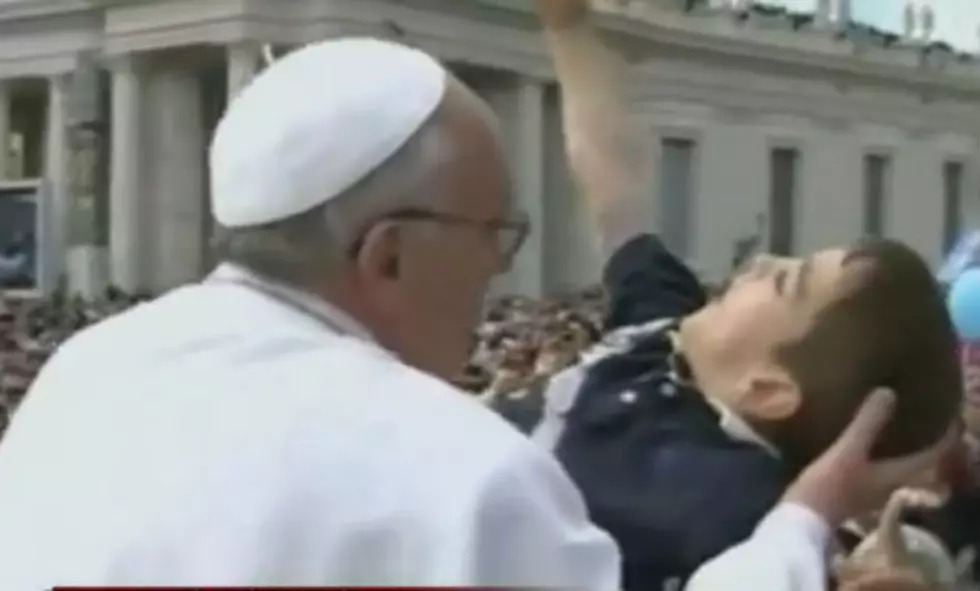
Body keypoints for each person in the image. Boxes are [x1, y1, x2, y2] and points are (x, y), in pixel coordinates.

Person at [0, 37, 619, 588]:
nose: (499, 267)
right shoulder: (476, 483)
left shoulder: (80, 380)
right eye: (494, 233)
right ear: (389, 256)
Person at [514, 0, 964, 589]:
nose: (759, 261)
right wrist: (569, 29)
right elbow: (615, 190)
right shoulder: (667, 330)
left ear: (769, 389)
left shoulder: (730, 514)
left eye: (784, 282)